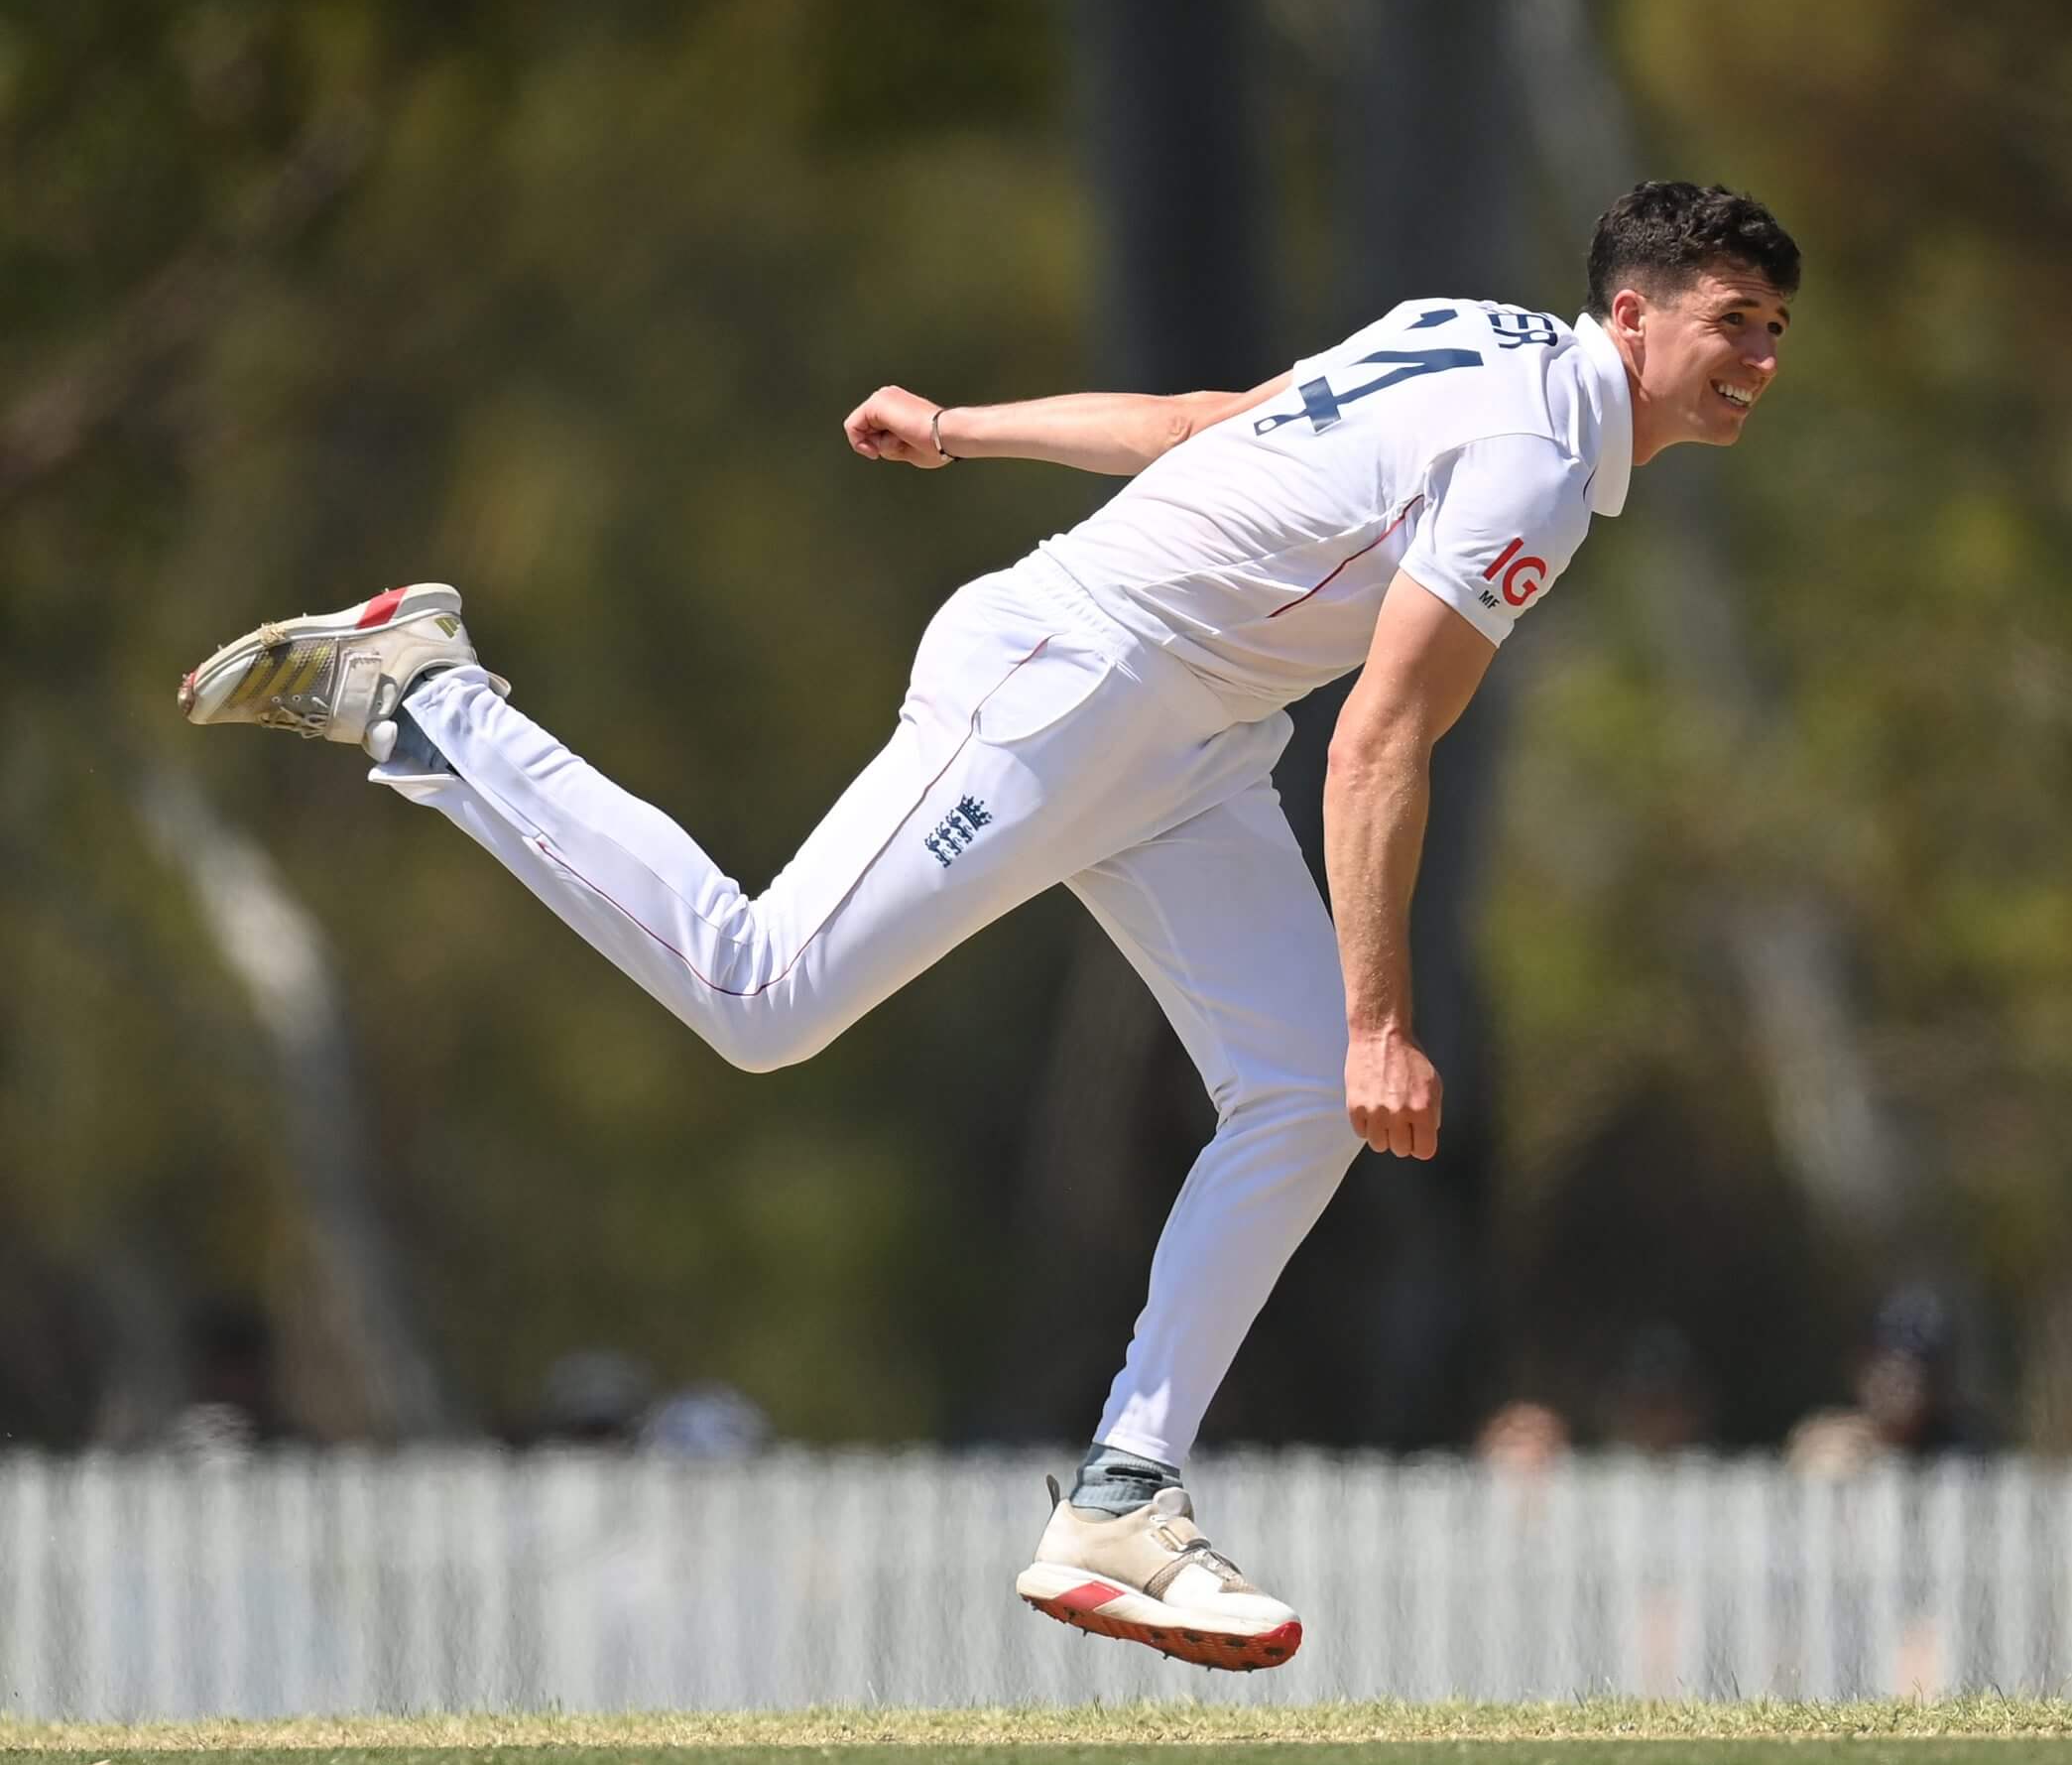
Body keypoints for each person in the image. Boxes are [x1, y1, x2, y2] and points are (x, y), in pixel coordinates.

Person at [178, 179, 1798, 1672]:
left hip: (1186, 743)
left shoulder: (1473, 334)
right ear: (1631, 316)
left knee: (1298, 1098)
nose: (1755, 362)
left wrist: (962, 428)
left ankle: (1119, 1500)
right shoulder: (1537, 456)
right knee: (762, 994)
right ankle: (430, 696)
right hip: (1068, 683)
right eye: (1730, 322)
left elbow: (1202, 426)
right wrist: (1384, 1016)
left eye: (1775, 332)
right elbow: (1380, 738)